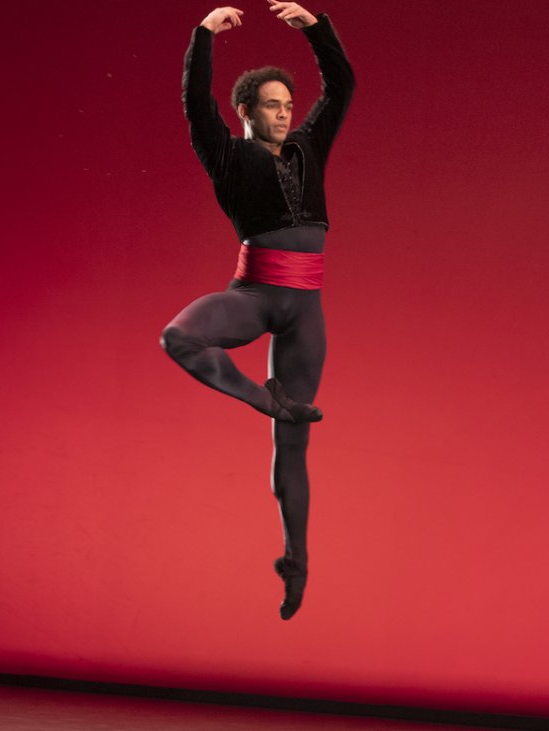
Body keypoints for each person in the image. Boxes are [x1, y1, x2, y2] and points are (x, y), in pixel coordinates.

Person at [161, 0, 354, 620]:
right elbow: (196, 105)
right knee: (180, 337)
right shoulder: (225, 156)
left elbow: (342, 85)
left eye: (287, 104)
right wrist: (203, 36)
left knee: (293, 446)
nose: (284, 113)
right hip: (255, 294)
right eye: (271, 105)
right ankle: (261, 398)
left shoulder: (308, 147)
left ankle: (296, 562)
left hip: (305, 309)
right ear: (246, 111)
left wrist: (315, 28)